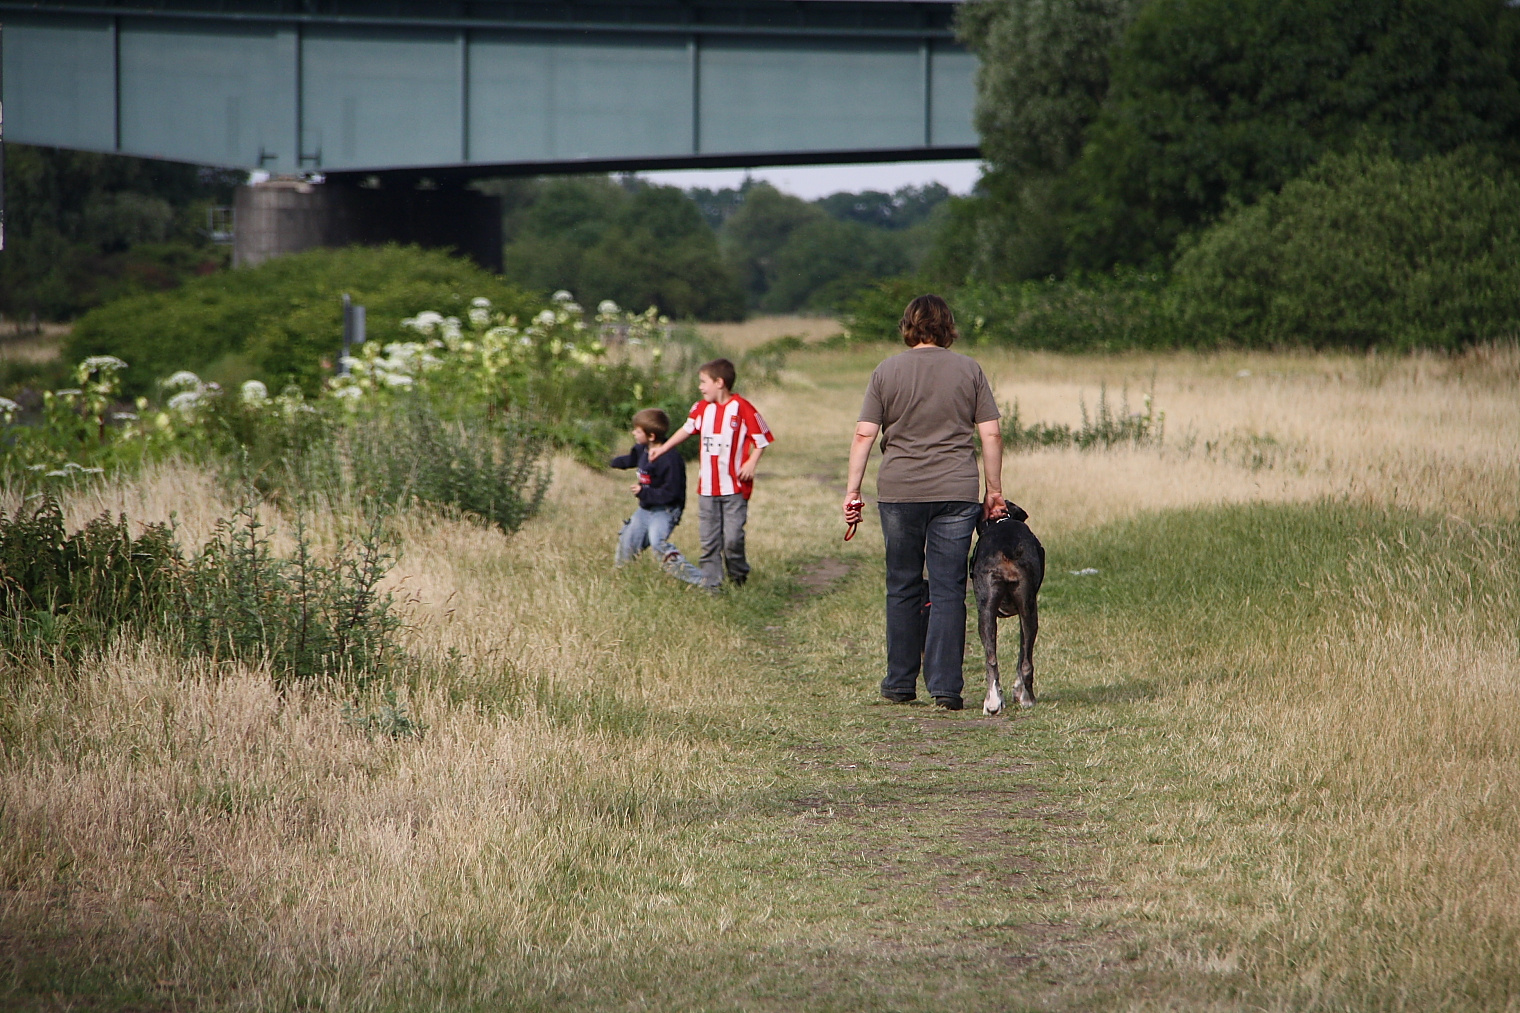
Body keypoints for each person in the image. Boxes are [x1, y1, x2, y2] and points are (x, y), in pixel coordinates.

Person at [842, 294, 1005, 710]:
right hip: (956, 490)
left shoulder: (887, 370)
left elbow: (864, 434)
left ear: (908, 326)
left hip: (900, 491)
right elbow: (991, 434)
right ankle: (946, 687)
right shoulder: (969, 369)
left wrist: (853, 491)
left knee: (902, 583)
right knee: (950, 588)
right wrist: (994, 490)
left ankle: (899, 682)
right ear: (948, 326)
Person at [648, 358, 774, 589]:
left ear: (720, 382)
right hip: (706, 489)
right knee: (709, 541)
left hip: (734, 487)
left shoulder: (743, 408)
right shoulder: (701, 408)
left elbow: (762, 440)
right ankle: (712, 585)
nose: (700, 387)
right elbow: (686, 430)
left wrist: (751, 462)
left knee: (733, 539)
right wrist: (663, 449)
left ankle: (738, 575)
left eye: (703, 382)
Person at [610, 408, 704, 586]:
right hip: (645, 508)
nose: (633, 433)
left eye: (637, 431)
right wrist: (612, 462)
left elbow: (672, 493)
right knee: (628, 539)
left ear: (651, 436)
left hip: (666, 510)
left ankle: (702, 581)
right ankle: (619, 580)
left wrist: (644, 492)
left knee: (658, 544)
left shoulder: (671, 460)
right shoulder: (642, 449)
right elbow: (632, 459)